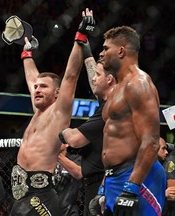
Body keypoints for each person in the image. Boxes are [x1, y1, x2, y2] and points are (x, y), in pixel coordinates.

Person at [10, 8, 94, 216]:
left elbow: (71, 76)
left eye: (43, 87)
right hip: (20, 194)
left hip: (41, 197)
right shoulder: (38, 111)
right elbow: (31, 78)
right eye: (36, 88)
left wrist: (80, 37)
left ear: (57, 93)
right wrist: (26, 52)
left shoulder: (58, 113)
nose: (37, 90)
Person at [99, 25, 167, 216]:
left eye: (106, 48)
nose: (101, 53)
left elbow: (151, 142)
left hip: (138, 176)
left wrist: (131, 187)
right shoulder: (117, 88)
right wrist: (103, 188)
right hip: (114, 177)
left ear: (121, 51)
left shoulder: (139, 84)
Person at [58, 13, 117, 216]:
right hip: (99, 181)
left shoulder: (109, 111)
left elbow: (74, 140)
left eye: (99, 76)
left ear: (109, 80)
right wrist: (83, 39)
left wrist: (60, 132)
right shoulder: (111, 100)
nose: (93, 79)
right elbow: (94, 73)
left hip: (105, 185)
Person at [54, 144, 82, 215]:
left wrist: (57, 155)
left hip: (68, 209)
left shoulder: (76, 159)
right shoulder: (45, 161)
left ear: (67, 144)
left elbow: (79, 173)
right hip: (47, 207)